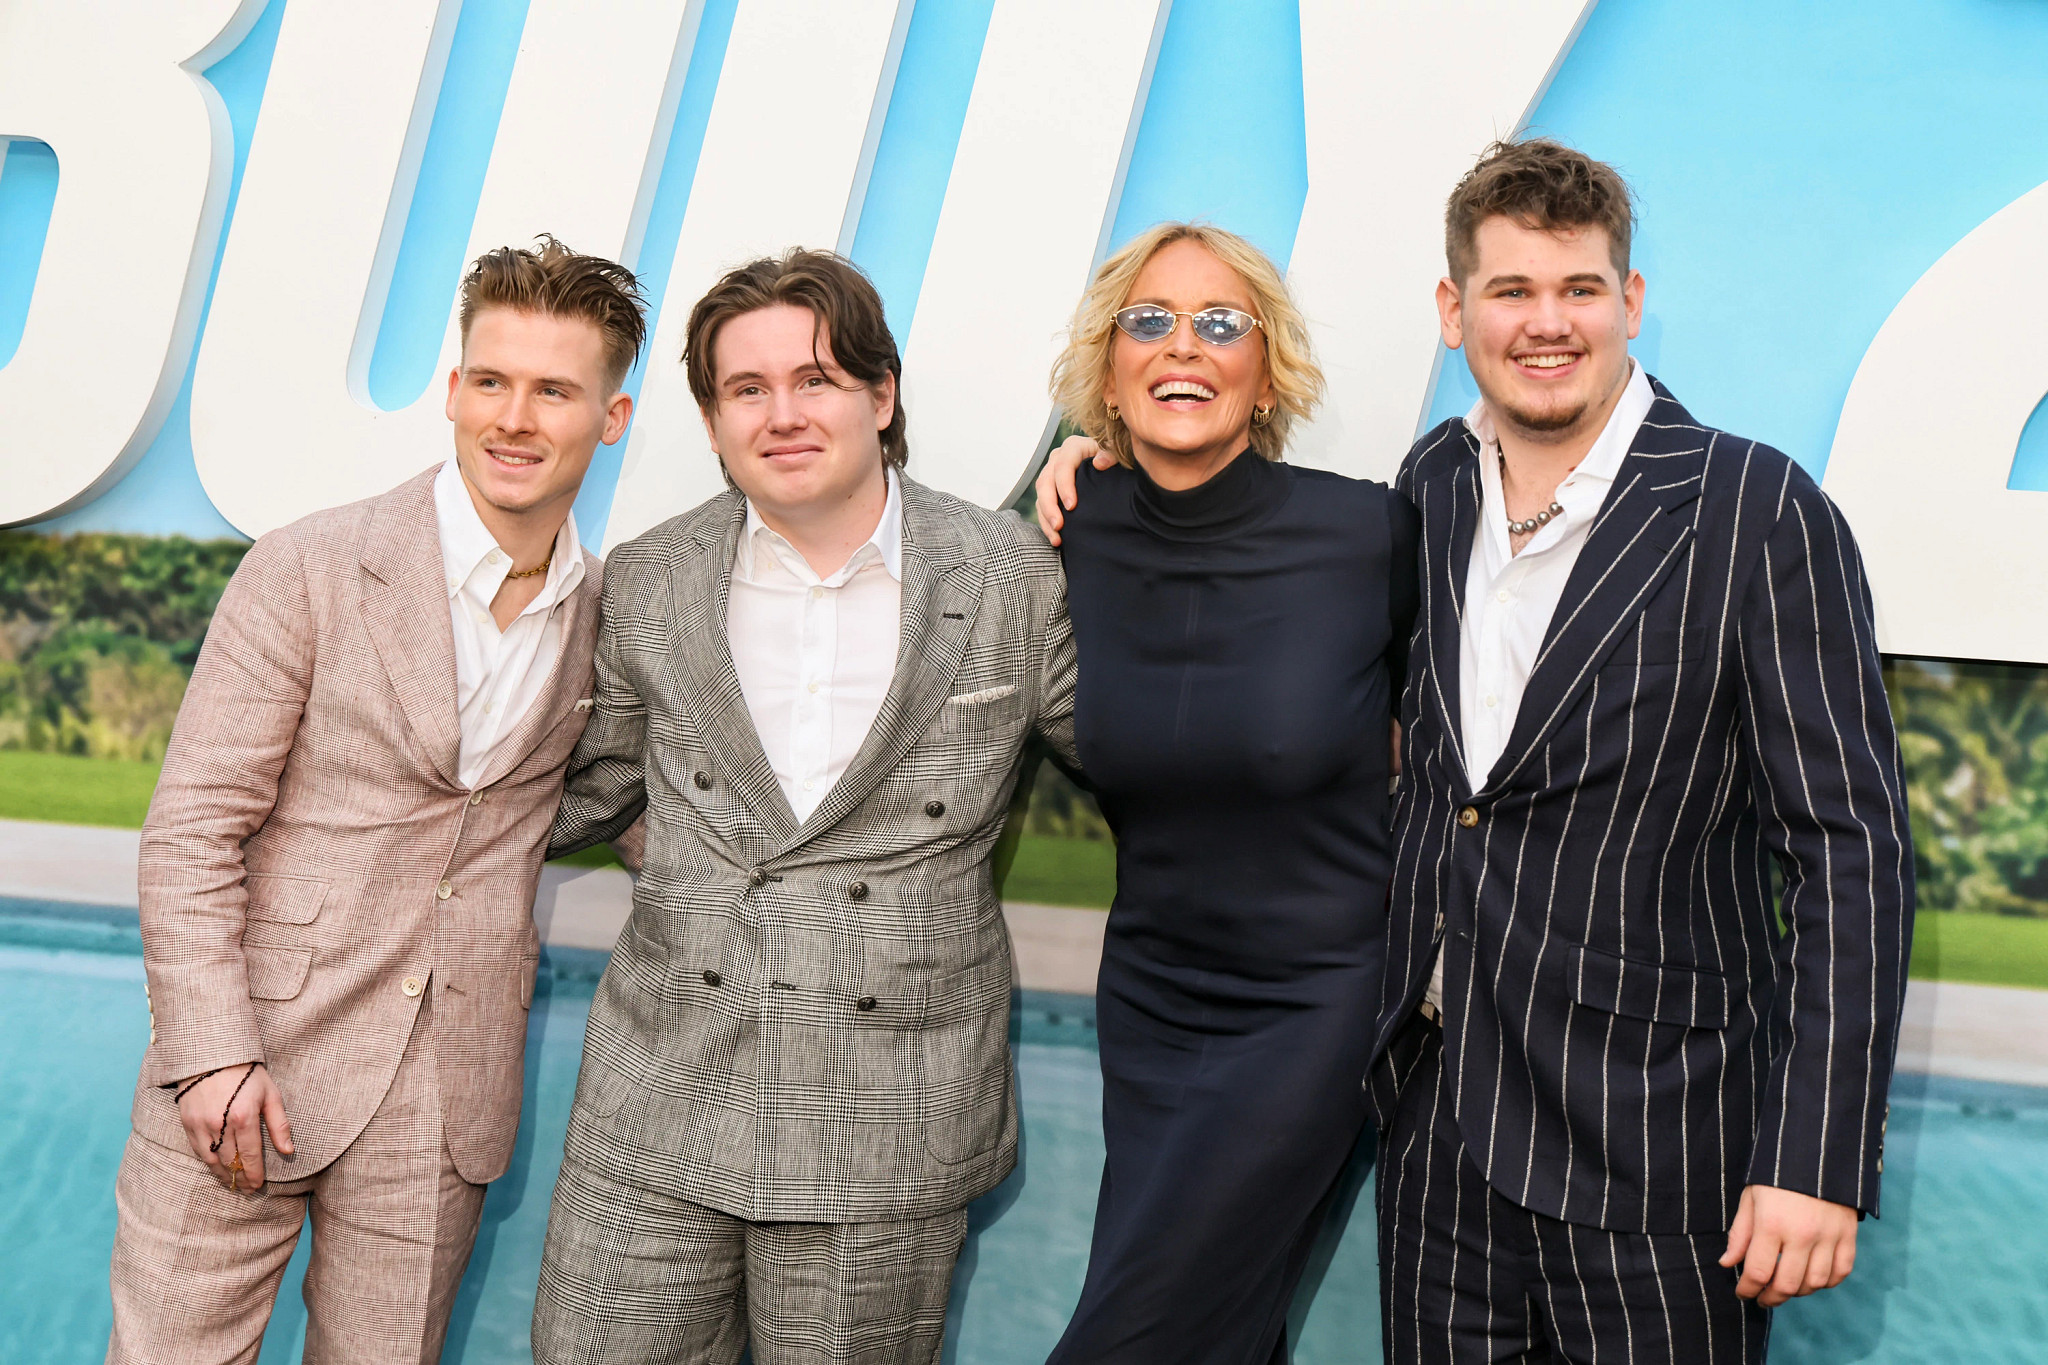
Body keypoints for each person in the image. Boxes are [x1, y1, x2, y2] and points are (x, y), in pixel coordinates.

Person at [1365, 139, 1910, 1362]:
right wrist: (1110, 467)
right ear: (1454, 313)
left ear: (1630, 302)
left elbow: (1848, 850)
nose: (1544, 324)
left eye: (1578, 290)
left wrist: (1814, 1158)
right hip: (1441, 1139)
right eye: (1509, 291)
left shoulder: (1753, 508)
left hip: (1663, 1160)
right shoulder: (1432, 484)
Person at [528, 248, 1077, 1365]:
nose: (783, 414)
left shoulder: (1011, 575)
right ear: (711, 416)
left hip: (889, 1118)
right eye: (747, 389)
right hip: (657, 1098)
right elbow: (573, 786)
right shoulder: (647, 578)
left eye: (817, 379)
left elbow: (1158, 750)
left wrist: (1155, 485)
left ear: (881, 395)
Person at [105, 237, 647, 1363]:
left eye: (554, 390)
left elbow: (647, 805)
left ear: (612, 416)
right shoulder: (308, 565)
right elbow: (193, 828)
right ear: (452, 392)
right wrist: (210, 1053)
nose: (514, 417)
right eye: (490, 381)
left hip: (445, 1096)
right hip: (251, 1059)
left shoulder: (611, 616)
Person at [1029, 222, 1418, 1365]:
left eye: (1219, 323)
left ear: (1265, 369)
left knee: (1132, 1335)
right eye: (1145, 322)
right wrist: (1065, 456)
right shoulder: (1075, 526)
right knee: (1219, 1332)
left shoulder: (1367, 533)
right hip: (1151, 995)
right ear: (1108, 367)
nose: (1180, 346)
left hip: (1315, 1003)